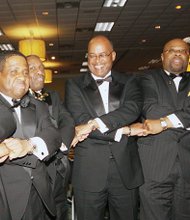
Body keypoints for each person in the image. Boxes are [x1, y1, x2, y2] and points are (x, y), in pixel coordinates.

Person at [65, 35, 144, 220]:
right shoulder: (74, 85)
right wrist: (123, 131)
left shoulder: (130, 81)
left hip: (126, 169)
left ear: (113, 55)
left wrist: (94, 123)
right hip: (89, 170)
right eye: (92, 55)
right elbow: (80, 119)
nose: (97, 61)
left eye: (103, 55)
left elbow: (131, 110)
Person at [0, 51, 62, 220]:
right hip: (6, 198)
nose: (22, 76)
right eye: (14, 71)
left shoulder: (38, 105)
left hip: (39, 195)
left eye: (25, 72)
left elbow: (54, 135)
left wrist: (28, 145)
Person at [137, 38, 190, 220]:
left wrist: (165, 122)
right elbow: (151, 109)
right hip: (154, 165)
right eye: (171, 50)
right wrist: (185, 119)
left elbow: (158, 118)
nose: (177, 53)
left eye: (182, 51)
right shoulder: (146, 78)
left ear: (188, 56)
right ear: (162, 56)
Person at [26, 54, 75, 220]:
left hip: (59, 167)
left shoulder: (53, 95)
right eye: (32, 68)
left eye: (41, 67)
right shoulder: (18, 99)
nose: (39, 71)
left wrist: (60, 146)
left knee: (60, 211)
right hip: (34, 172)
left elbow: (67, 121)